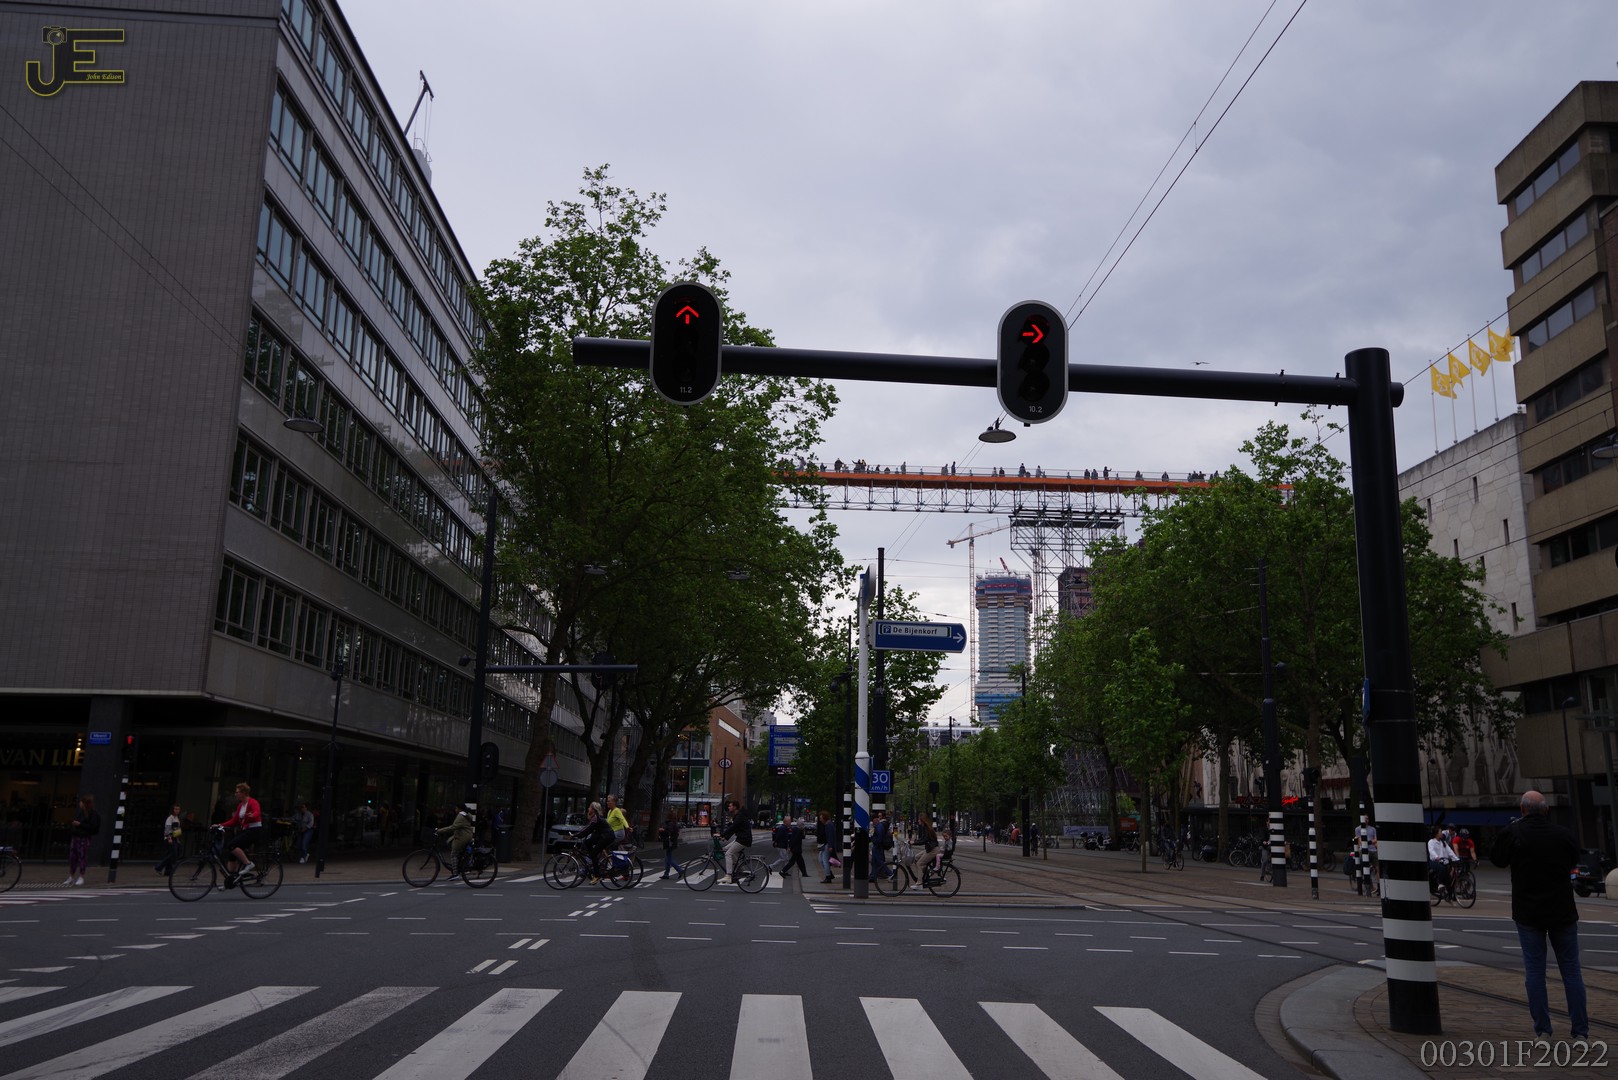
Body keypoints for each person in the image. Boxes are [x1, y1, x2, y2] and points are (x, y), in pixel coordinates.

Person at [1490, 790, 1588, 1040]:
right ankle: (1580, 1031)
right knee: (1572, 971)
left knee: (1534, 972)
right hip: (1562, 911)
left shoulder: (1513, 833)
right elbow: (1573, 860)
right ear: (1546, 810)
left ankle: (1543, 1030)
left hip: (1528, 912)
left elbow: (1497, 859)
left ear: (1522, 810)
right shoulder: (1563, 835)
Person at [215, 782, 263, 882]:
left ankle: (248, 864)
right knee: (232, 855)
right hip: (246, 830)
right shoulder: (241, 805)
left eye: (237, 792)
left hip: (254, 831)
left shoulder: (253, 802)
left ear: (244, 793)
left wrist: (252, 815)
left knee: (231, 845)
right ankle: (230, 881)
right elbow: (234, 821)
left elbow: (257, 812)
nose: (235, 794)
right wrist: (220, 825)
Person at [64, 794, 99, 886]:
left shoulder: (92, 814)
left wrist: (80, 825)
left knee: (82, 856)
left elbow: (93, 827)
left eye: (81, 802)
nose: (79, 803)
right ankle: (71, 876)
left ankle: (81, 876)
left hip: (84, 838)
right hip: (76, 837)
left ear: (84, 803)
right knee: (73, 857)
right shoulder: (81, 813)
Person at [576, 803, 615, 882]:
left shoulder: (595, 818)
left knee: (594, 854)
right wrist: (581, 835)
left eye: (589, 807)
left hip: (606, 837)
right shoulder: (595, 817)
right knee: (587, 843)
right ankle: (593, 861)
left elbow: (587, 829)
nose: (588, 809)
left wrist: (576, 835)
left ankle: (597, 875)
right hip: (603, 836)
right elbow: (589, 829)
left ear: (593, 809)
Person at [435, 803, 476, 875]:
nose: (455, 809)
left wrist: (439, 831)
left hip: (462, 837)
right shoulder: (465, 814)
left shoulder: (460, 816)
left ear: (459, 809)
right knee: (450, 842)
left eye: (456, 808)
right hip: (466, 835)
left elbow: (453, 827)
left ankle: (455, 873)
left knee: (453, 854)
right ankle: (460, 864)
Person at [718, 800, 752, 884]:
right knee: (725, 849)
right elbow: (734, 829)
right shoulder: (737, 816)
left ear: (735, 807)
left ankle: (728, 875)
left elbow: (732, 827)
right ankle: (741, 869)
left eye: (730, 806)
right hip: (741, 838)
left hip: (743, 839)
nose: (728, 807)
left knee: (728, 854)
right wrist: (724, 837)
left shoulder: (739, 816)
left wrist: (721, 834)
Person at [1427, 825, 1460, 896]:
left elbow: (1450, 851)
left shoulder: (1443, 843)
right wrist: (1437, 857)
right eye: (1440, 832)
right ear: (1436, 833)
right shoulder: (1431, 842)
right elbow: (1431, 851)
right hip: (1434, 862)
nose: (1442, 833)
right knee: (1442, 868)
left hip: (1443, 861)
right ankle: (1440, 883)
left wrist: (1457, 859)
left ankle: (1449, 896)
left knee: (1448, 878)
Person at [155, 803, 184, 876]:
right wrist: (169, 838)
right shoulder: (170, 818)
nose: (177, 811)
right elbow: (167, 829)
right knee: (173, 854)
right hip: (170, 837)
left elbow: (177, 829)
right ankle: (159, 866)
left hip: (174, 837)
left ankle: (168, 871)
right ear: (173, 810)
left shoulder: (176, 818)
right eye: (176, 809)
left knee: (172, 854)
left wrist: (177, 839)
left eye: (178, 809)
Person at [909, 814, 939, 881]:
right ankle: (924, 874)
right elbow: (922, 838)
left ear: (922, 820)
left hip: (932, 850)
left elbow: (924, 840)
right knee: (915, 858)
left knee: (919, 864)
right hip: (929, 849)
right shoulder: (925, 827)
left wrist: (914, 843)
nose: (918, 821)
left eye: (919, 819)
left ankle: (919, 882)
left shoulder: (927, 829)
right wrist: (914, 841)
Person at [816, 810, 839, 883]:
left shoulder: (828, 825)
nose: (820, 820)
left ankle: (828, 876)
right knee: (821, 859)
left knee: (824, 860)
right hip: (825, 844)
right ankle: (829, 873)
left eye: (821, 818)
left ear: (824, 818)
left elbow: (830, 836)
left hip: (827, 845)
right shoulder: (827, 825)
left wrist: (830, 846)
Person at [658, 812, 681, 880]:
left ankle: (679, 870)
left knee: (669, 858)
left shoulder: (670, 823)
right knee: (667, 858)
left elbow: (669, 832)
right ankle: (666, 874)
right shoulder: (674, 823)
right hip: (673, 842)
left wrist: (663, 830)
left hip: (669, 843)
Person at [871, 809, 892, 880]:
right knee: (874, 862)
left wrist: (874, 840)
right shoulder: (879, 826)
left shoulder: (879, 826)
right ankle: (872, 876)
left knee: (879, 862)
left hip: (877, 846)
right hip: (877, 846)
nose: (872, 822)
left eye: (873, 820)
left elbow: (879, 838)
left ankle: (890, 873)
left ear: (875, 819)